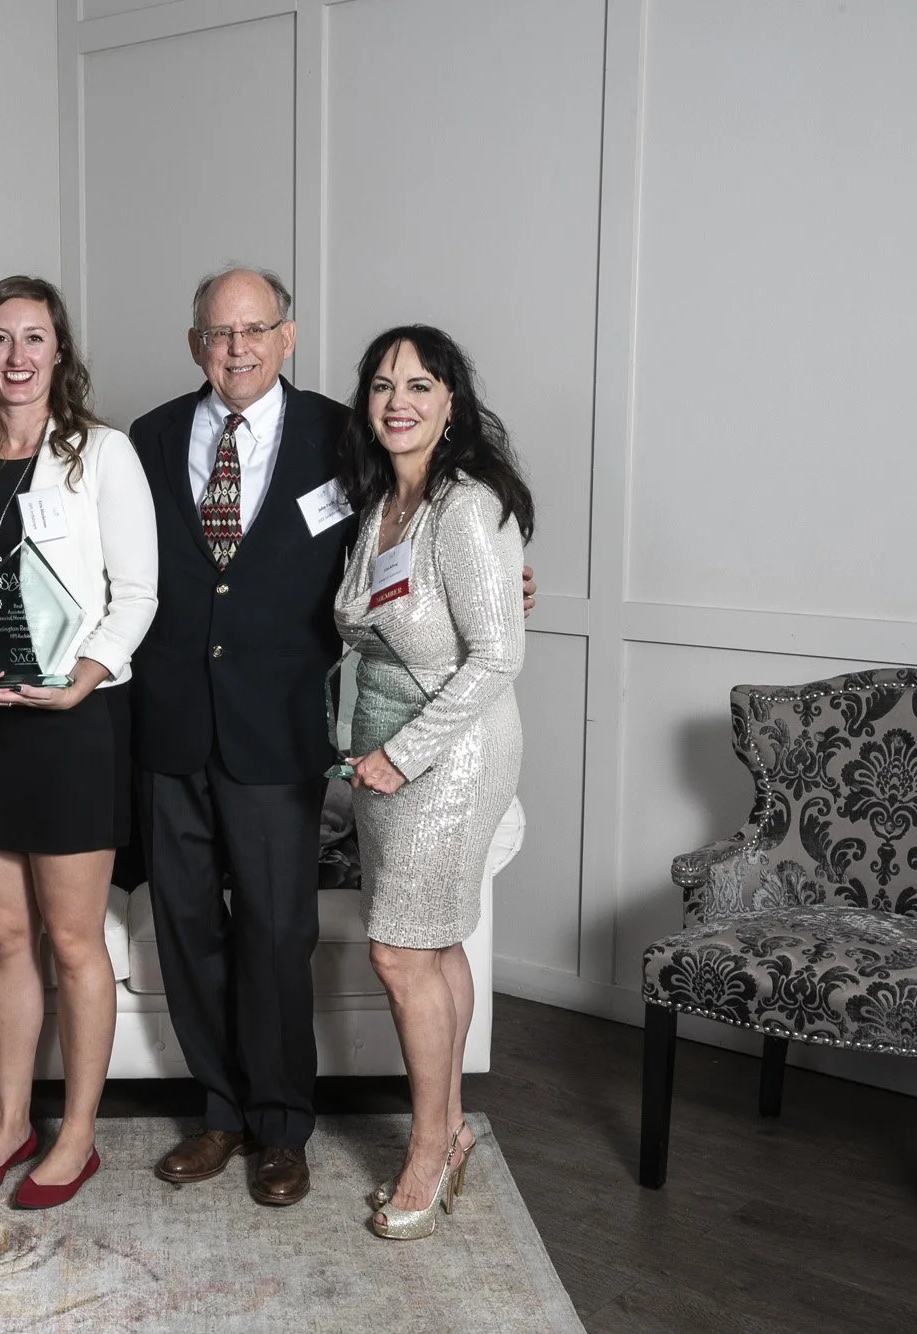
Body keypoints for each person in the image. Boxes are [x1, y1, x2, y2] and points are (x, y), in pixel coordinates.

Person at [128, 268, 535, 1208]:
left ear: (288, 336)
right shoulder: (147, 438)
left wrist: (513, 582)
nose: (237, 348)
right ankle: (220, 1113)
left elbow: (438, 525)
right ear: (196, 344)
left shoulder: (342, 434)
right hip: (170, 725)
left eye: (255, 329)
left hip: (280, 728)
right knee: (187, 930)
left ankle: (281, 1127)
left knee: (277, 933)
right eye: (219, 332)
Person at [0, 275, 157, 1209]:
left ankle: (77, 1134)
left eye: (34, 338)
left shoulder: (103, 455)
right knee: (6, 937)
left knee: (73, 939)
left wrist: (82, 680)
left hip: (74, 724)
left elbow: (138, 593)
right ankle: (11, 1120)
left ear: (60, 353)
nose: (17, 357)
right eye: (0, 339)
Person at [334, 325, 531, 1239]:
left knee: (399, 953)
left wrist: (404, 755)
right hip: (383, 747)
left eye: (419, 385)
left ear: (452, 402)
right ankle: (451, 1131)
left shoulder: (468, 506)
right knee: (436, 945)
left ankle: (425, 1149)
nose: (398, 401)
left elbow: (497, 655)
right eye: (383, 385)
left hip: (452, 754)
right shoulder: (381, 500)